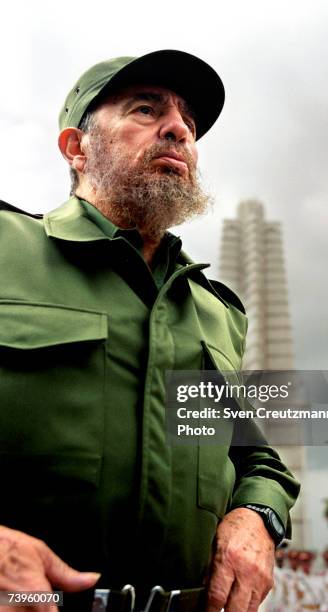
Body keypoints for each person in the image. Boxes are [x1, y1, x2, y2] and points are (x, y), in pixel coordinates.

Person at [0, 50, 300, 612]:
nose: (179, 129)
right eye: (145, 109)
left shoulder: (217, 312)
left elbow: (257, 459)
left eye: (188, 120)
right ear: (76, 148)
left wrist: (256, 517)